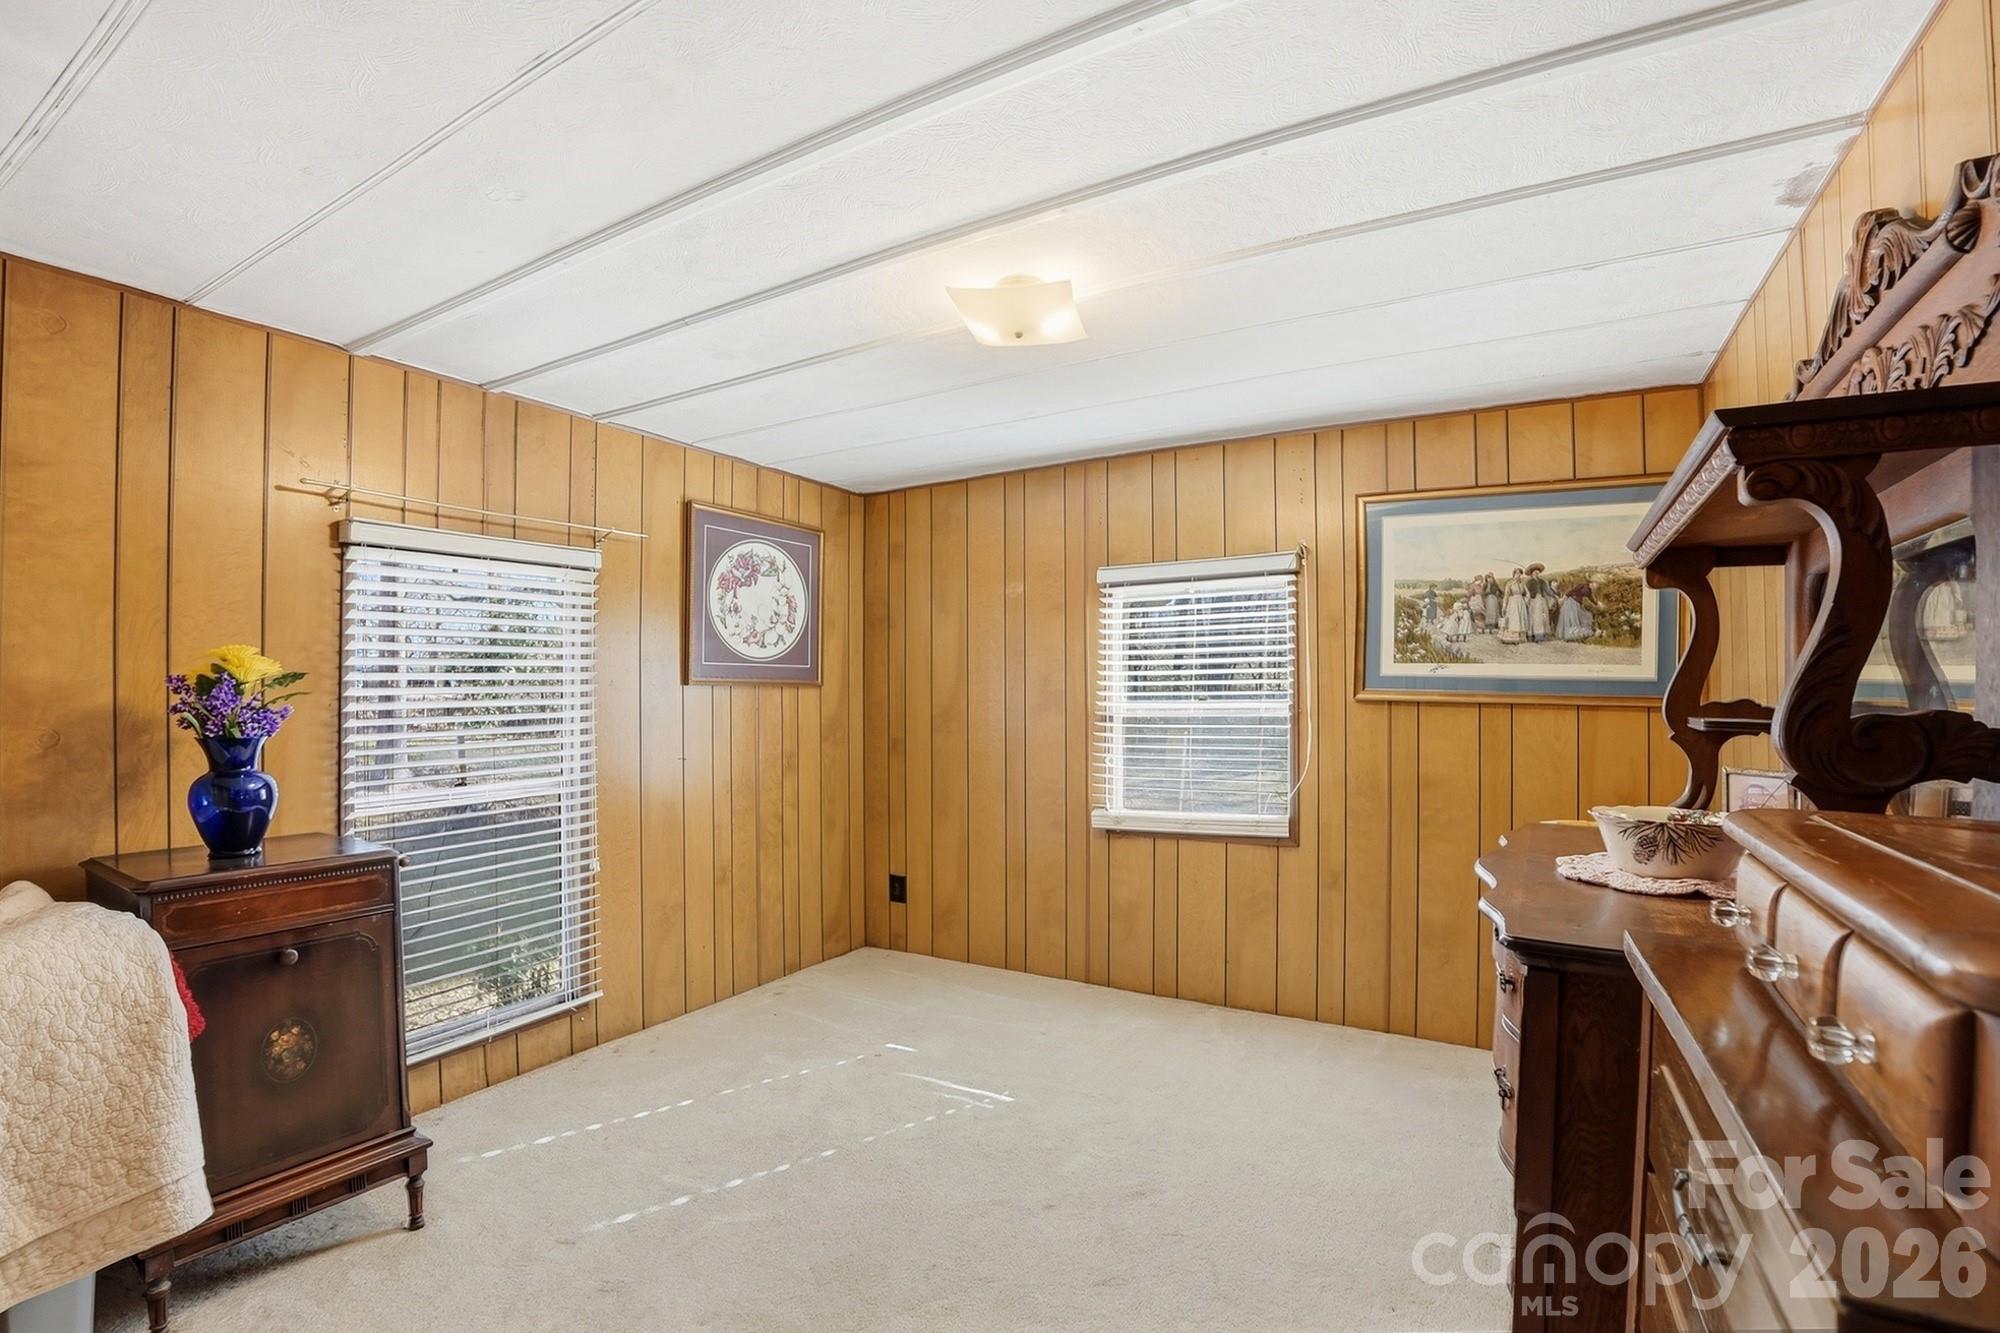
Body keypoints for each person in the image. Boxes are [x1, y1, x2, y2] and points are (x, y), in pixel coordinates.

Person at [1499, 568, 1528, 644]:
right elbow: (1506, 595)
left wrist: (1525, 600)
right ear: (1514, 574)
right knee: (1513, 620)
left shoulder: (1522, 583)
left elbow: (1527, 593)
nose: (1518, 575)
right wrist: (1504, 606)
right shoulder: (1510, 583)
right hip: (1512, 603)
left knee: (1520, 619)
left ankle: (1519, 638)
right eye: (1517, 573)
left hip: (1521, 602)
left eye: (1519, 574)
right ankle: (1510, 638)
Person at [1525, 563, 1551, 643]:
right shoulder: (1529, 582)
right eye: (1534, 572)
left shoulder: (1542, 582)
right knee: (1535, 618)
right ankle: (1534, 636)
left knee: (1543, 617)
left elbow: (1547, 591)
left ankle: (1542, 635)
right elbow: (1526, 592)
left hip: (1541, 600)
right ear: (1532, 573)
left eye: (1537, 572)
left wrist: (1553, 596)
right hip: (1533, 601)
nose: (1536, 573)